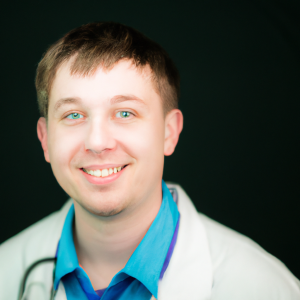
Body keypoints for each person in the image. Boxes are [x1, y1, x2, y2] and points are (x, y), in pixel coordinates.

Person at [0, 21, 299, 300]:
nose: (97, 142)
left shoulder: (264, 287)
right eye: (73, 115)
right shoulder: (6, 269)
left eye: (125, 113)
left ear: (169, 133)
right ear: (45, 139)